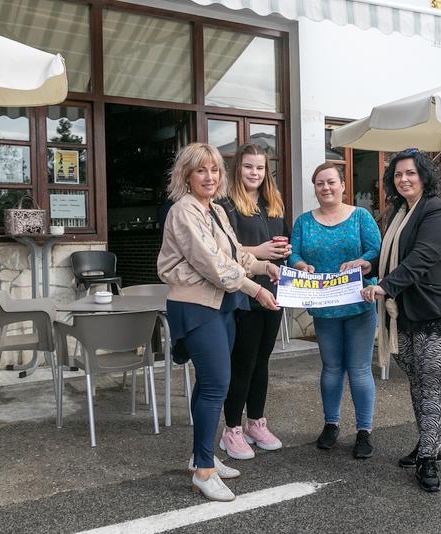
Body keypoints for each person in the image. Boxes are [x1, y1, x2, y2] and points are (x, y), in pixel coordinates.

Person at [157, 143, 280, 502]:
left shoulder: (214, 210)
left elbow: (236, 253)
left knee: (211, 386)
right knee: (216, 386)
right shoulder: (184, 211)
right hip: (197, 307)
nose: (209, 177)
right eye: (201, 171)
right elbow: (213, 264)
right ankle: (204, 473)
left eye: (214, 170)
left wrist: (262, 265)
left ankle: (202, 456)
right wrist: (255, 289)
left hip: (221, 305)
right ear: (186, 176)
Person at [361, 149, 441, 493]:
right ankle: (429, 441)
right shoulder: (400, 212)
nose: (403, 179)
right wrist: (370, 264)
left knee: (434, 382)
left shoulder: (435, 210)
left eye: (410, 173)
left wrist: (384, 286)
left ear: (423, 176)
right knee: (417, 380)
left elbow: (423, 256)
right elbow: (394, 249)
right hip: (410, 312)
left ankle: (428, 458)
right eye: (397, 175)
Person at [288, 162, 381, 459]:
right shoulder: (304, 222)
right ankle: (331, 424)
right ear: (314, 188)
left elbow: (377, 252)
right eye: (319, 183)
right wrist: (301, 265)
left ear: (342, 185)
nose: (326, 188)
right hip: (324, 308)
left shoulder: (361, 217)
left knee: (359, 369)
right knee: (330, 369)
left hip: (358, 304)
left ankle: (364, 431)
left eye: (331, 182)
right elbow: (293, 253)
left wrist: (362, 262)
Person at [216, 143, 290, 460]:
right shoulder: (225, 205)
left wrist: (287, 255)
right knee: (242, 364)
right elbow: (222, 252)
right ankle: (231, 429)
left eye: (260, 168)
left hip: (274, 293)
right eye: (248, 167)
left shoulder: (273, 205)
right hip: (243, 295)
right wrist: (259, 252)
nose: (254, 173)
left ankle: (255, 422)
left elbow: (282, 244)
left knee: (262, 362)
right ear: (237, 168)